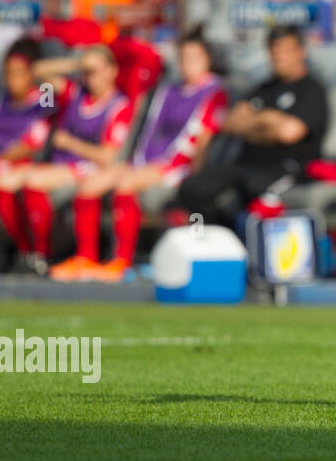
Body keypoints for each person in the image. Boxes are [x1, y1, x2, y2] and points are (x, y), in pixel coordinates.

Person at [51, 27, 226, 282]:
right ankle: (86, 258)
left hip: (176, 167)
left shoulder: (214, 93)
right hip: (144, 163)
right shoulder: (167, 91)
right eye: (183, 57)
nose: (187, 64)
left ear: (207, 60)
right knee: (89, 185)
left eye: (194, 58)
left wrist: (194, 180)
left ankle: (121, 261)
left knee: (124, 184)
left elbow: (203, 142)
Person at [0, 45, 133, 278]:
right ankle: (25, 251)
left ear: (112, 71)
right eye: (88, 72)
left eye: (97, 70)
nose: (92, 77)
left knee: (32, 180)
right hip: (61, 166)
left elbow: (107, 156)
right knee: (5, 182)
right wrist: (78, 63)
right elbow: (39, 71)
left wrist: (71, 143)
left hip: (87, 167)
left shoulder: (119, 105)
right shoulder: (76, 93)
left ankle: (42, 253)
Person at [178, 24, 328, 231]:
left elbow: (289, 133)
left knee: (253, 190)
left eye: (285, 50)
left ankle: (249, 246)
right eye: (274, 51)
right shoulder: (263, 88)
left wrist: (256, 119)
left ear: (300, 52)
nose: (279, 57)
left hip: (287, 166)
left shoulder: (311, 90)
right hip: (247, 163)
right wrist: (269, 124)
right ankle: (224, 243)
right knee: (193, 188)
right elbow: (229, 122)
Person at [0, 38, 55, 273]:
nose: (13, 80)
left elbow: (36, 141)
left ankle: (38, 251)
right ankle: (22, 250)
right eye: (8, 73)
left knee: (18, 185)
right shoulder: (4, 101)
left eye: (19, 72)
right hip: (5, 164)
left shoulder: (43, 97)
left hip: (32, 162)